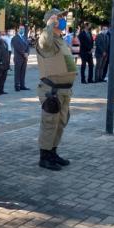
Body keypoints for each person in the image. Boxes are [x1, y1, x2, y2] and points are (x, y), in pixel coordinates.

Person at [36, 9, 77, 171]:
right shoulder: (48, 39)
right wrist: (49, 25)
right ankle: (44, 157)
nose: (62, 20)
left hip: (64, 90)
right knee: (50, 123)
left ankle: (53, 152)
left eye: (61, 17)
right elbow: (44, 42)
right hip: (51, 91)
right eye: (58, 18)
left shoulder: (59, 39)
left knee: (60, 123)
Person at [11, 24, 30, 91]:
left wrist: (27, 53)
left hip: (25, 58)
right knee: (17, 72)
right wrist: (24, 53)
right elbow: (17, 47)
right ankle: (17, 86)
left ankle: (22, 85)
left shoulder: (25, 38)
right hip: (18, 58)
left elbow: (28, 46)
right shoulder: (14, 38)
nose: (22, 30)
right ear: (18, 30)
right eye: (21, 29)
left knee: (23, 72)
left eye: (23, 29)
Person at [0, 30, 11, 94]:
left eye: (2, 34)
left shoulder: (5, 42)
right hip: (0, 63)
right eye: (0, 35)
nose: (1, 36)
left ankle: (1, 90)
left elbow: (7, 53)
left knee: (3, 78)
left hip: (6, 63)